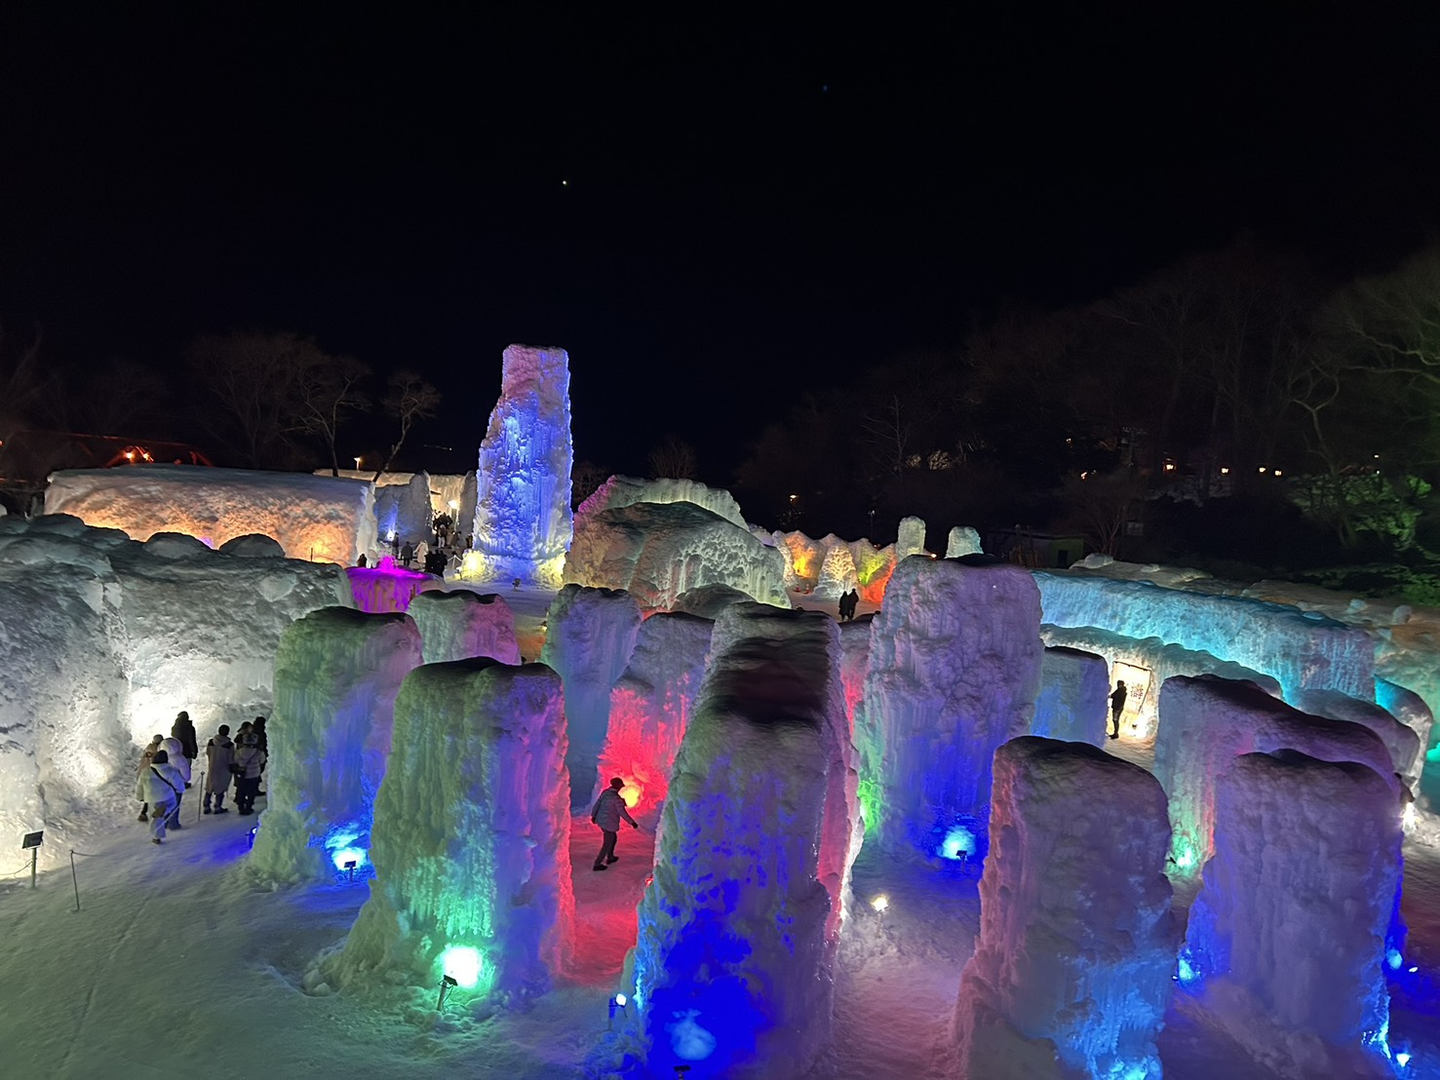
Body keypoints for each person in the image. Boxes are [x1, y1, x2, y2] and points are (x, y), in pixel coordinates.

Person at [136, 749, 185, 844]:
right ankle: (165, 810)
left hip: (151, 797)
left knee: (155, 818)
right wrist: (181, 789)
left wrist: (140, 796)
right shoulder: (170, 770)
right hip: (167, 795)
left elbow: (140, 785)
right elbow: (178, 783)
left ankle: (156, 837)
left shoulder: (145, 771)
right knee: (173, 804)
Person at [590, 777, 638, 871]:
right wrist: (632, 822)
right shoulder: (616, 799)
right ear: (618, 786)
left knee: (613, 838)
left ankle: (610, 857)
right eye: (620, 786)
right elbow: (622, 812)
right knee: (607, 843)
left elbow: (597, 804)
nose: (621, 787)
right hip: (609, 823)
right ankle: (597, 864)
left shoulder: (605, 793)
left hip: (602, 821)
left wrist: (594, 815)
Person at [160, 736, 192, 826]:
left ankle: (164, 821)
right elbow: (186, 776)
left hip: (163, 785)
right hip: (176, 786)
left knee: (164, 803)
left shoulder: (161, 757)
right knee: (174, 804)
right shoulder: (180, 759)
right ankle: (173, 823)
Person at [204, 725, 235, 813]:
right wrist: (232, 769)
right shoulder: (229, 745)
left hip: (212, 767)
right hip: (223, 768)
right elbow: (231, 759)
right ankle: (218, 806)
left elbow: (208, 752)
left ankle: (206, 805)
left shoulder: (211, 742)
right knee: (220, 788)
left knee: (209, 787)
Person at [234, 734, 267, 815]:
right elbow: (262, 760)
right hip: (253, 774)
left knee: (241, 790)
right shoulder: (258, 752)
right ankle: (248, 807)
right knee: (251, 791)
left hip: (242, 774)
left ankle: (241, 807)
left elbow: (236, 760)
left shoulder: (239, 751)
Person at [136, 734, 164, 821]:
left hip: (142, 773)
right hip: (151, 774)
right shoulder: (158, 751)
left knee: (147, 793)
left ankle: (143, 812)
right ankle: (146, 812)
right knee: (151, 794)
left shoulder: (147, 749)